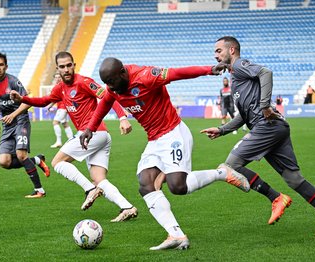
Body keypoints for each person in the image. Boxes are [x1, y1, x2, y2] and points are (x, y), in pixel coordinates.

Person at [79, 57, 250, 250]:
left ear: (122, 73)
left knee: (178, 186)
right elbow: (104, 105)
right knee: (146, 185)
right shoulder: (113, 89)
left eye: (111, 81)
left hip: (173, 133)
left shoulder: (146, 76)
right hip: (154, 141)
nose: (109, 86)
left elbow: (179, 73)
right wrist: (90, 129)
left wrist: (210, 69)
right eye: (106, 83)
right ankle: (176, 235)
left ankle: (222, 173)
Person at [201, 36, 315, 236]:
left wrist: (264, 106)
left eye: (219, 50)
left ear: (232, 50)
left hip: (267, 125)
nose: (215, 55)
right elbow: (243, 116)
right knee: (294, 179)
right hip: (274, 127)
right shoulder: (235, 80)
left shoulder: (240, 65)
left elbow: (265, 72)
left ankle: (276, 197)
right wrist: (222, 129)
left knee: (230, 166)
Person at [10, 52, 138, 222]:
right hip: (98, 137)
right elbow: (44, 100)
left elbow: (109, 97)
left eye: (69, 65)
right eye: (62, 67)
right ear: (58, 69)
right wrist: (22, 98)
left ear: (74, 65)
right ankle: (127, 207)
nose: (66, 69)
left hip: (93, 133)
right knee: (99, 179)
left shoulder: (84, 82)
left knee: (57, 162)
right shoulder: (60, 88)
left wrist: (122, 117)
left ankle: (89, 190)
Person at [0, 52, 50, 198]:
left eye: (1, 65)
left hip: (20, 120)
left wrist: (13, 115)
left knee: (21, 155)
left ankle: (39, 190)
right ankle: (36, 160)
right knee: (4, 161)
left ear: (6, 66)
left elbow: (27, 101)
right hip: (7, 125)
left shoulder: (14, 82)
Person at [47, 72, 74, 148]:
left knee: (55, 122)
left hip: (63, 107)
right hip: (62, 107)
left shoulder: (64, 85)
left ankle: (59, 141)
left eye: (59, 77)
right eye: (56, 77)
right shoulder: (58, 86)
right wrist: (50, 106)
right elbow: (55, 99)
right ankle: (71, 140)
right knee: (64, 123)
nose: (57, 78)